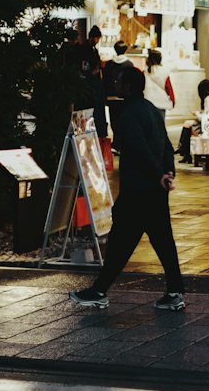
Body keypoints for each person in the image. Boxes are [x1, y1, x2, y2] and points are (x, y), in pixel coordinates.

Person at [70, 66, 185, 312]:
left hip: (137, 189)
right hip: (154, 190)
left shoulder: (129, 113)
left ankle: (99, 291)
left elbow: (139, 148)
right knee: (162, 241)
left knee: (121, 242)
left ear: (128, 86)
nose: (115, 84)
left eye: (119, 81)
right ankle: (175, 291)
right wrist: (167, 172)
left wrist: (159, 173)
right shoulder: (152, 110)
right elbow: (166, 145)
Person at [177, 79, 209, 164]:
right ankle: (184, 150)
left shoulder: (208, 99)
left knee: (188, 125)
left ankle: (183, 149)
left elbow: (207, 117)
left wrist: (196, 113)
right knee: (188, 124)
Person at [143, 47, 176, 122]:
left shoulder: (145, 72)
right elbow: (168, 88)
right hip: (162, 102)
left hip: (148, 101)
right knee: (160, 123)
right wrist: (173, 100)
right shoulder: (165, 71)